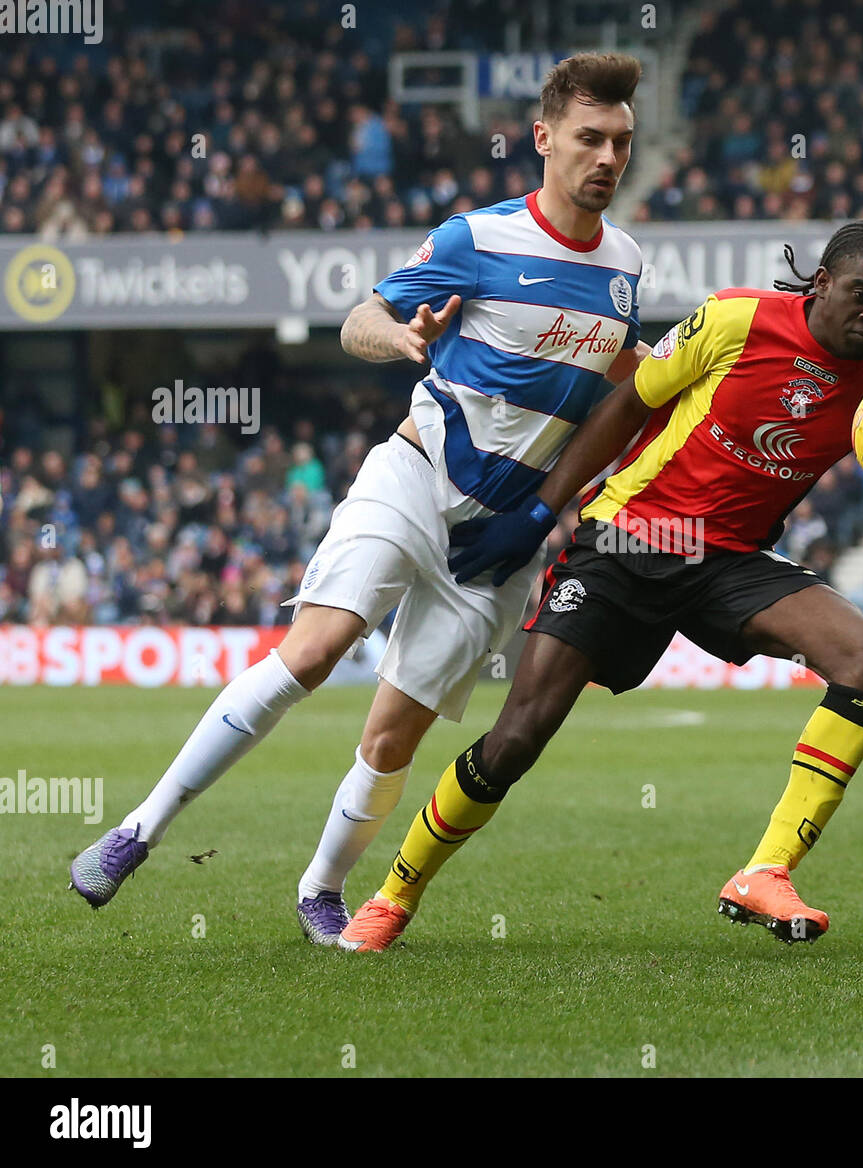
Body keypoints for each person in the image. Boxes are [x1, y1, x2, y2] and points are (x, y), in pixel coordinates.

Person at [333, 222, 863, 952]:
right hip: (629, 539)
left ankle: (766, 870)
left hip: (729, 561)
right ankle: (394, 894)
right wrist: (548, 510)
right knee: (517, 738)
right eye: (862, 294)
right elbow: (629, 402)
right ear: (822, 282)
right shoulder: (736, 319)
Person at [68, 53, 650, 947]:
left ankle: (321, 889)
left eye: (620, 140)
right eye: (588, 138)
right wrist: (405, 339)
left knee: (391, 740)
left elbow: (615, 371)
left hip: (502, 537)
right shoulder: (475, 238)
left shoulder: (626, 265)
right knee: (316, 649)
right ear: (543, 139)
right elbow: (359, 320)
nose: (607, 156)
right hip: (415, 475)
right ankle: (138, 829)